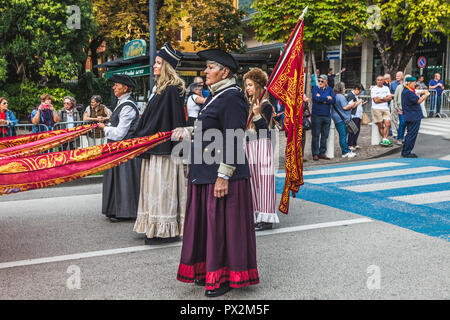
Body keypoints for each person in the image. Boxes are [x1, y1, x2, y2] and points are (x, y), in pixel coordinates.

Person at [173, 48, 259, 298]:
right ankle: (207, 270)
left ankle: (225, 277)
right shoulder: (217, 95)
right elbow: (210, 128)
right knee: (209, 227)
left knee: (222, 229)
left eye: (210, 67)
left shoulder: (232, 97)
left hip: (221, 174)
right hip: (205, 172)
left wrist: (224, 175)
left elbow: (234, 138)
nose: (206, 71)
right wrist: (188, 132)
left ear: (225, 71)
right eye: (207, 67)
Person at [132, 43, 187, 244]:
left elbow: (171, 122)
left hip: (164, 151)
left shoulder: (172, 90)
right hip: (154, 148)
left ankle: (165, 230)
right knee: (153, 191)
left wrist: (142, 135)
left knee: (162, 190)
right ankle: (154, 226)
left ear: (166, 66)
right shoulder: (160, 89)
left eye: (157, 63)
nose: (154, 66)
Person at [97, 74, 142, 223]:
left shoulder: (128, 105)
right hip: (119, 149)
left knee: (124, 180)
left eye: (117, 85)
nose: (113, 87)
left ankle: (126, 211)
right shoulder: (123, 103)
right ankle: (116, 209)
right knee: (118, 179)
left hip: (125, 150)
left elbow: (120, 133)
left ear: (126, 88)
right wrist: (109, 126)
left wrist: (105, 128)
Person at [243, 67, 278, 232]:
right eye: (246, 85)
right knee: (253, 182)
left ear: (258, 85)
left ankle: (266, 218)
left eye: (250, 85)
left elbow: (263, 129)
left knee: (263, 183)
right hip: (250, 145)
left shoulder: (266, 105)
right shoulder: (250, 103)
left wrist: (256, 114)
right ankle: (257, 214)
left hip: (262, 145)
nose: (248, 88)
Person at [401, 77, 430, 158]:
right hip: (413, 116)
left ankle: (406, 150)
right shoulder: (408, 92)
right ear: (409, 83)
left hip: (411, 115)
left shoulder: (407, 90)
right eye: (414, 82)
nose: (415, 84)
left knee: (410, 134)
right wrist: (426, 95)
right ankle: (407, 152)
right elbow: (418, 101)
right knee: (412, 134)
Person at [311, 74, 335, 161]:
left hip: (327, 116)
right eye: (319, 81)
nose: (320, 82)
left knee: (325, 136)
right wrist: (326, 98)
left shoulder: (330, 89)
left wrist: (321, 98)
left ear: (326, 82)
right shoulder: (315, 89)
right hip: (316, 115)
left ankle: (322, 153)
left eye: (322, 81)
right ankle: (315, 153)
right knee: (316, 135)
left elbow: (333, 100)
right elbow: (315, 99)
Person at [332, 82, 357, 158]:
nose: (344, 89)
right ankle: (345, 152)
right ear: (341, 88)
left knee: (342, 135)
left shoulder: (335, 96)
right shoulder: (340, 96)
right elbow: (345, 107)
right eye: (344, 87)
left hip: (337, 118)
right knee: (343, 136)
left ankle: (346, 151)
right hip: (342, 118)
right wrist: (352, 105)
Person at [371, 75, 394, 146]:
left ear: (383, 81)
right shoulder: (374, 89)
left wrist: (381, 99)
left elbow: (390, 98)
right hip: (376, 108)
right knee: (380, 124)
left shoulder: (386, 88)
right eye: (378, 80)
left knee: (388, 123)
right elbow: (375, 101)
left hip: (385, 108)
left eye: (381, 80)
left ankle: (384, 139)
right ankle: (385, 139)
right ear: (376, 81)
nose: (380, 81)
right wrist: (385, 99)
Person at [346, 84, 365, 151]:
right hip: (353, 115)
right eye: (360, 91)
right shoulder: (351, 95)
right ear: (356, 89)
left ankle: (354, 143)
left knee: (357, 130)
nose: (360, 92)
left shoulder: (356, 95)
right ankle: (350, 144)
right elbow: (352, 106)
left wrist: (361, 104)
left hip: (357, 115)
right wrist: (359, 102)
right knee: (352, 130)